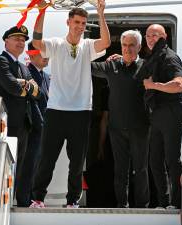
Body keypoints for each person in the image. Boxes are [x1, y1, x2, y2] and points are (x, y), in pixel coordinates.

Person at [29, 0, 111, 208]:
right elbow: (37, 43)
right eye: (77, 22)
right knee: (47, 159)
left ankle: (72, 201)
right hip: (56, 111)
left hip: (81, 112)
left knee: (76, 162)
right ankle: (37, 198)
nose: (80, 26)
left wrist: (101, 13)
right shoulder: (56, 44)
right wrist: (42, 12)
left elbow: (106, 43)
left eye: (83, 23)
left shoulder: (88, 46)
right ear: (68, 22)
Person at [91, 30, 149, 208]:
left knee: (140, 170)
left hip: (140, 128)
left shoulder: (147, 67)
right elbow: (88, 66)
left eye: (132, 45)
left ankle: (142, 207)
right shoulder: (112, 66)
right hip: (116, 129)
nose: (127, 49)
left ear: (139, 47)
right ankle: (121, 205)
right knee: (120, 170)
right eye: (124, 45)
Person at [0, 25, 39, 207]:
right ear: (6, 41)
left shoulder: (22, 67)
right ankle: (3, 204)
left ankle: (12, 201)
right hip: (8, 123)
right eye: (16, 38)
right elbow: (14, 88)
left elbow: (38, 93)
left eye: (23, 40)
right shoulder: (1, 62)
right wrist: (26, 86)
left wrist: (23, 84)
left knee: (19, 167)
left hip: (24, 124)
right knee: (6, 166)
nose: (20, 42)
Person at [142, 24, 182, 209]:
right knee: (155, 160)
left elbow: (179, 85)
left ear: (164, 37)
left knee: (172, 160)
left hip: (171, 112)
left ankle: (176, 202)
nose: (151, 39)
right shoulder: (153, 58)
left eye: (155, 35)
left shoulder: (170, 57)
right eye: (148, 36)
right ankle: (164, 201)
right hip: (158, 114)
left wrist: (154, 86)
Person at [17, 41, 50, 207]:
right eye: (41, 53)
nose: (46, 56)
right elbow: (32, 103)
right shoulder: (27, 73)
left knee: (37, 165)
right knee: (29, 165)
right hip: (33, 128)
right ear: (30, 54)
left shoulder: (45, 76)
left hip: (43, 128)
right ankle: (24, 199)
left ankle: (33, 198)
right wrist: (41, 125)